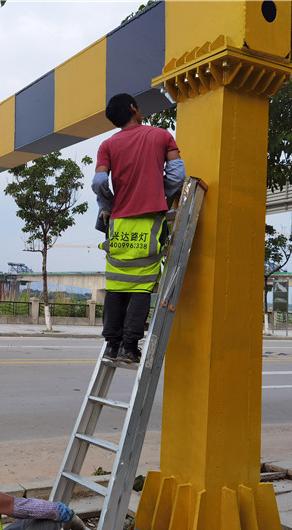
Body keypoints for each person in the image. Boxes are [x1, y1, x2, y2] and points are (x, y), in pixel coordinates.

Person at [92, 93, 186, 364]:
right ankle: (129, 347)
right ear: (134, 108)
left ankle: (112, 346)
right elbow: (178, 175)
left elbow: (99, 183)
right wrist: (159, 193)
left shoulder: (107, 145)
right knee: (142, 287)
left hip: (118, 223)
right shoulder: (161, 136)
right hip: (149, 221)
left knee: (116, 284)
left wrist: (112, 202)